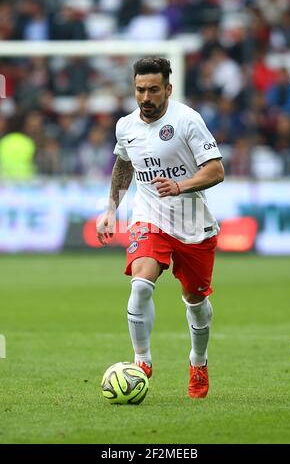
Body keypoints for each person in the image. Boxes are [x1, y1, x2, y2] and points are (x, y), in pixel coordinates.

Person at [96, 57, 224, 399]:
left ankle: (198, 360)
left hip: (194, 225)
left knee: (195, 301)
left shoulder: (188, 121)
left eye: (154, 89)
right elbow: (124, 164)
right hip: (149, 217)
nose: (146, 97)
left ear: (168, 88)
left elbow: (215, 171)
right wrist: (111, 209)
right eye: (140, 89)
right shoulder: (126, 126)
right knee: (140, 284)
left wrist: (181, 186)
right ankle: (141, 363)